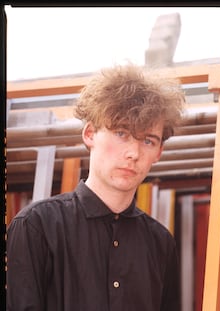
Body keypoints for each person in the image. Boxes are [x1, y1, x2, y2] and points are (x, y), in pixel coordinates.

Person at [6, 62, 185, 311]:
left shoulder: (160, 243)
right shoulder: (36, 226)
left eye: (147, 140)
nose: (133, 152)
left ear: (159, 152)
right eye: (121, 133)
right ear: (90, 134)